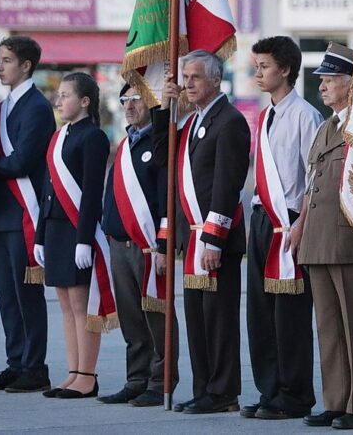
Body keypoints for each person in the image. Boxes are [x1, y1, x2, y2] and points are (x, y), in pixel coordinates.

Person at [294, 43, 353, 430]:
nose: (324, 86)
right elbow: (313, 183)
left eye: (332, 79)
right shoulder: (325, 126)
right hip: (319, 239)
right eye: (323, 79)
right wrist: (300, 226)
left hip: (352, 238)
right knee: (329, 327)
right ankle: (337, 400)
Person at [154, 51, 250, 414]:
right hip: (191, 237)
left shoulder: (230, 121)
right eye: (185, 77)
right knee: (196, 317)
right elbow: (164, 158)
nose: (188, 83)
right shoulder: (192, 121)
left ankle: (223, 392)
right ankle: (204, 387)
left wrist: (213, 238)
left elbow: (227, 186)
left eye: (195, 77)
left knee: (219, 319)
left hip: (212, 239)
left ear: (215, 80)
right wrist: (166, 106)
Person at [244, 36, 322, 420]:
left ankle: (294, 395)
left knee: (289, 317)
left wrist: (302, 226)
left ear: (286, 70)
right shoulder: (266, 115)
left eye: (265, 67)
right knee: (260, 314)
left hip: (289, 222)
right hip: (262, 220)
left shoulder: (305, 115)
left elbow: (313, 178)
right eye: (256, 67)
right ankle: (269, 390)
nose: (258, 73)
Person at [0, 36, 55, 393]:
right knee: (7, 296)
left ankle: (35, 366)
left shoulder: (37, 108)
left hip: (26, 215)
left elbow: (23, 160)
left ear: (26, 65)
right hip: (2, 215)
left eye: (6, 60)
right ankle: (16, 362)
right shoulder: (1, 109)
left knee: (27, 295)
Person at [97, 84, 178, 407]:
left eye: (136, 98)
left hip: (148, 245)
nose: (129, 105)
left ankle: (160, 383)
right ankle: (137, 378)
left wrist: (163, 243)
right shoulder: (124, 143)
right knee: (131, 318)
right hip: (120, 244)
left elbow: (164, 198)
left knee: (156, 316)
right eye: (124, 99)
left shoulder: (157, 142)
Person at [35, 73, 113, 399]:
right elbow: (46, 190)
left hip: (77, 228)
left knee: (82, 305)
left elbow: (93, 192)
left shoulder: (93, 137)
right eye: (58, 94)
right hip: (54, 228)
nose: (59, 100)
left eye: (65, 95)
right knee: (66, 305)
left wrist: (85, 238)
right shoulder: (58, 136)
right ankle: (72, 371)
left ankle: (87, 376)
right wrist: (40, 235)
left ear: (84, 101)